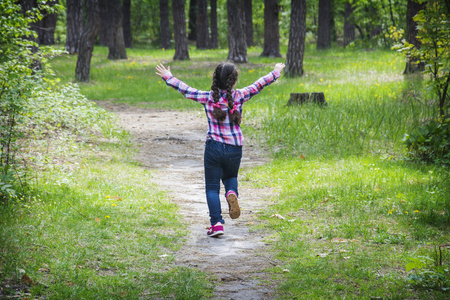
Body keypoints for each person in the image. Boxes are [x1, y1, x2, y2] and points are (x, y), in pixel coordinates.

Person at [155, 62, 285, 237]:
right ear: (234, 81)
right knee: (231, 177)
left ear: (215, 79)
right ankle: (231, 193)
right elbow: (259, 84)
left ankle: (216, 224)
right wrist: (275, 72)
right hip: (235, 147)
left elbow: (186, 90)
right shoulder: (240, 95)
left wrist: (168, 77)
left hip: (214, 147)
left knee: (212, 188)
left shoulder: (208, 97)